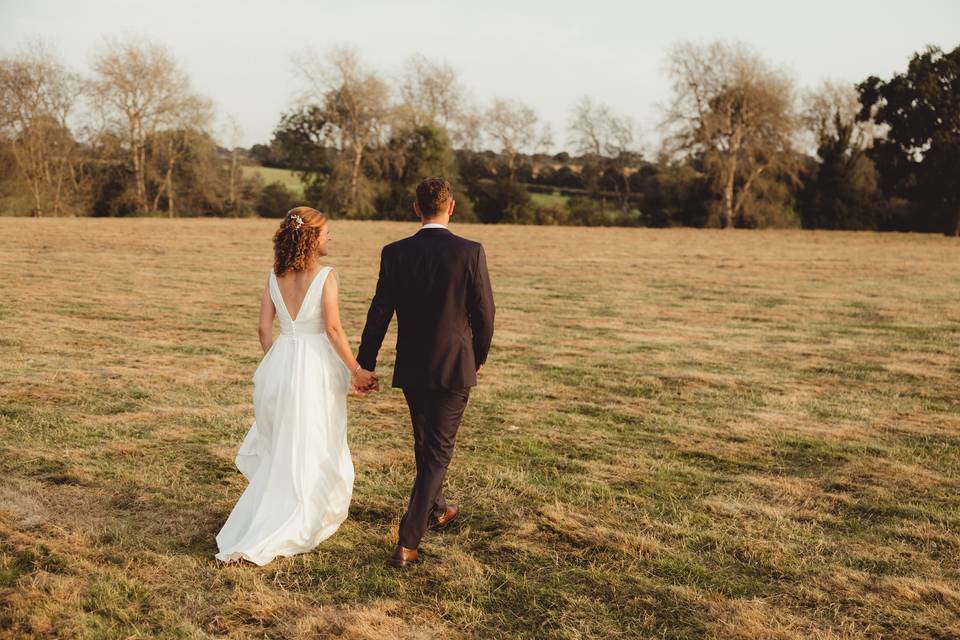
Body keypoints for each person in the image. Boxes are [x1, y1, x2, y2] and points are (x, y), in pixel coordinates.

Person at [215, 207, 376, 566]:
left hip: (283, 360)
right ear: (311, 238)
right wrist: (355, 370)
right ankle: (304, 508)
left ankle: (279, 504)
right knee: (316, 435)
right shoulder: (326, 276)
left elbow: (262, 330)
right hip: (317, 364)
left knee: (286, 440)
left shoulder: (274, 276)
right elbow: (333, 329)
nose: (330, 238)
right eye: (326, 232)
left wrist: (278, 360)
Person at [357, 177, 496, 568]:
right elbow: (485, 312)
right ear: (451, 207)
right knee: (437, 453)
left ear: (417, 208)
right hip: (455, 364)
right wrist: (479, 355)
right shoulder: (470, 252)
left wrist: (366, 360)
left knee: (426, 445)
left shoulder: (395, 253)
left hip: (413, 366)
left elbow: (379, 311)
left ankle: (437, 510)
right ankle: (408, 542)